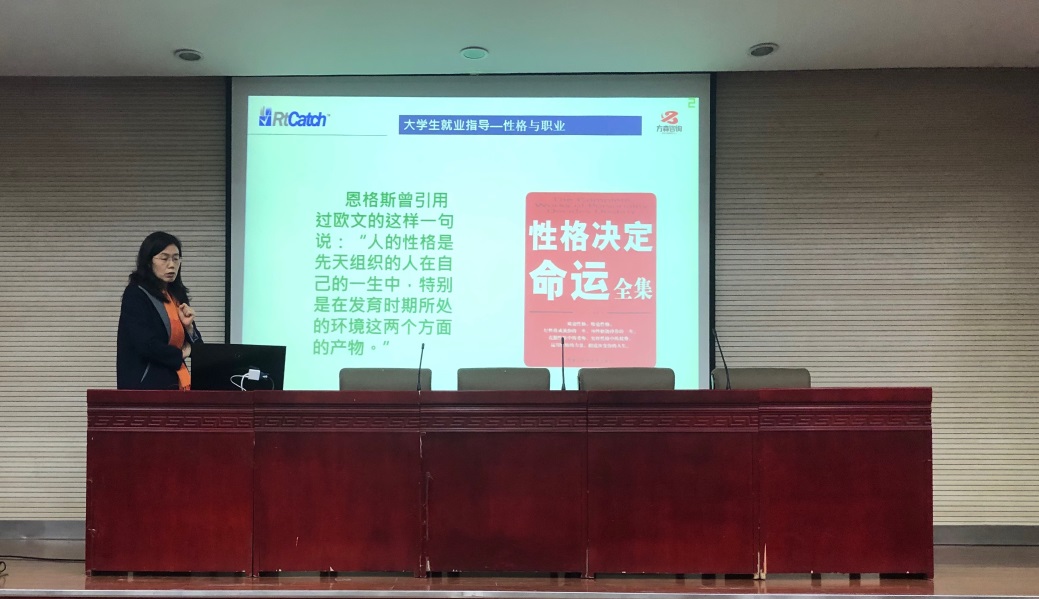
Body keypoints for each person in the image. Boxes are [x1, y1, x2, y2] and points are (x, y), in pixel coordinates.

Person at [116, 232, 203, 390]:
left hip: (175, 383)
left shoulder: (177, 296)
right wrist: (181, 354)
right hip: (145, 387)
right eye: (164, 258)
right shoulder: (136, 294)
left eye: (176, 258)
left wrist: (189, 327)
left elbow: (198, 349)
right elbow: (145, 344)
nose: (171, 265)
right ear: (149, 262)